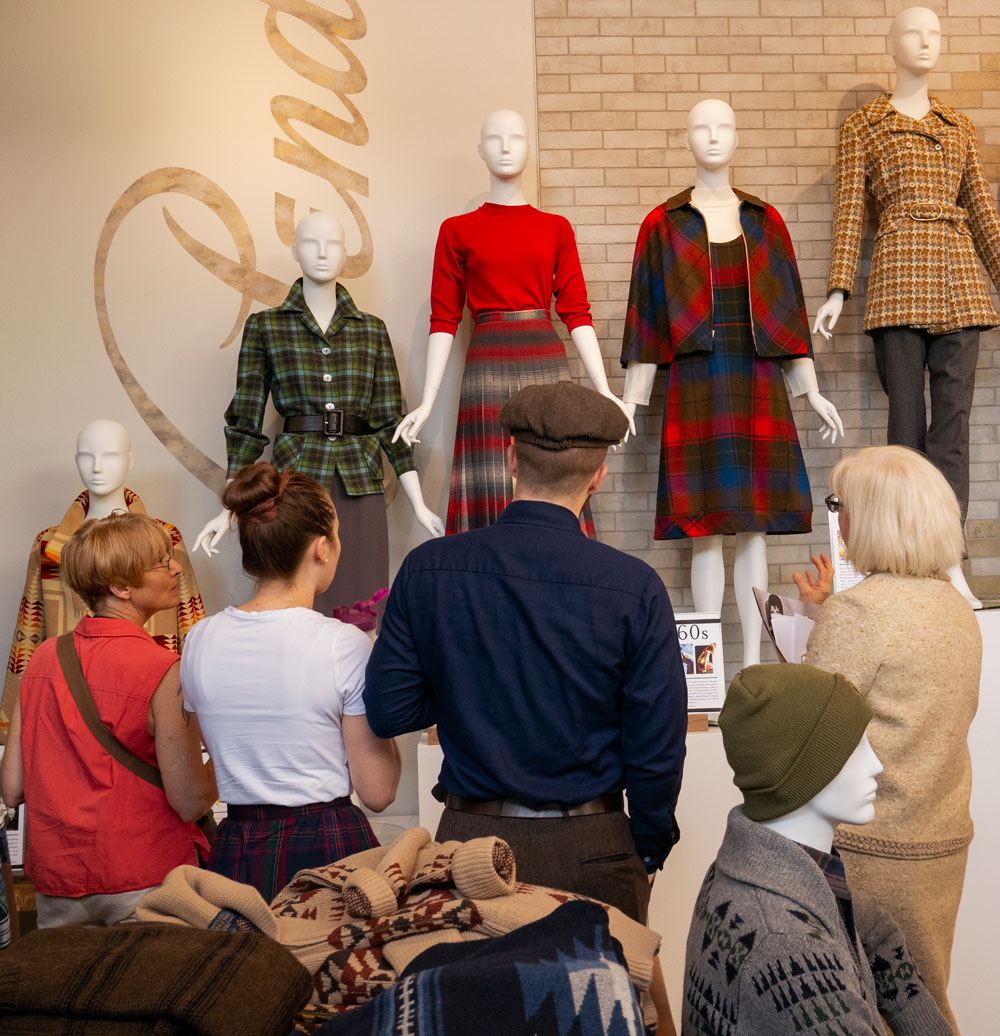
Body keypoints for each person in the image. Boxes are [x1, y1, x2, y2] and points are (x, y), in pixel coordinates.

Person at [365, 381, 687, 922]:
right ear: (599, 477)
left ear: (511, 457)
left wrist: (463, 693)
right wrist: (649, 845)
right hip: (595, 846)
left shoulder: (429, 569)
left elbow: (389, 709)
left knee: (471, 1006)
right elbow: (656, 746)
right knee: (605, 1005)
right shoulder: (635, 587)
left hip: (465, 849)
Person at [620, 99, 842, 667]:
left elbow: (788, 311)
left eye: (724, 127)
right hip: (696, 384)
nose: (713, 137)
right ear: (686, 138)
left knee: (755, 533)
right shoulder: (664, 223)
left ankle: (751, 668)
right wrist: (631, 400)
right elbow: (645, 316)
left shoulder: (765, 221)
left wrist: (809, 389)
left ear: (738, 137)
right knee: (704, 533)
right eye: (702, 127)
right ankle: (707, 675)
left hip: (758, 379)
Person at [814, 7, 1000, 607]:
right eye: (914, 33)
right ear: (891, 45)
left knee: (953, 433)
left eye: (936, 34)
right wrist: (839, 288)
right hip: (897, 279)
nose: (927, 42)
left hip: (960, 280)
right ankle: (900, 563)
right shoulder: (865, 126)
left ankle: (949, 561)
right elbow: (849, 214)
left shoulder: (958, 125)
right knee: (904, 435)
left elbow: (983, 215)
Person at [800, 445, 979, 1033]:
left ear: (873, 515)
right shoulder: (957, 608)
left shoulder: (861, 613)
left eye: (840, 505)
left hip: (869, 851)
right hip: (941, 841)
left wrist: (817, 623)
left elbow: (810, 732)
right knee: (923, 1001)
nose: (839, 519)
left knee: (862, 1013)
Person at [393, 108, 631, 535]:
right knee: (492, 476)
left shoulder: (555, 228)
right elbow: (444, 317)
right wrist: (427, 402)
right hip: (486, 364)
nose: (505, 147)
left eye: (516, 138)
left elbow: (576, 311)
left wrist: (604, 390)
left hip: (545, 359)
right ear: (480, 151)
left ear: (529, 148)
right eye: (495, 139)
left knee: (556, 470)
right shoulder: (457, 231)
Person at [194, 211, 443, 613]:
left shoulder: (371, 330)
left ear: (347, 254)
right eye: (311, 242)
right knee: (290, 598)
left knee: (363, 606)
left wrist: (418, 503)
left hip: (360, 483)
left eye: (333, 244)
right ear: (294, 251)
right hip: (292, 485)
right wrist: (229, 505)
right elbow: (245, 420)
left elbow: (389, 421)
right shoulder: (266, 327)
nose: (322, 252)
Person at [684, 663, 952, 1036]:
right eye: (853, 749)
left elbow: (877, 930)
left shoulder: (746, 870)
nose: (876, 765)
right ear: (803, 772)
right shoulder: (787, 948)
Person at [181, 462, 402, 902]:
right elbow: (378, 791)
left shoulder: (199, 639)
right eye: (337, 534)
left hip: (237, 847)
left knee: (246, 970)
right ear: (322, 548)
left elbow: (217, 751)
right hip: (329, 846)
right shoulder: (345, 644)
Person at [0, 514, 217, 928]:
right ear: (120, 587)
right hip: (144, 878)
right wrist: (229, 759)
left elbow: (11, 789)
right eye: (161, 562)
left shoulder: (43, 658)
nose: (175, 568)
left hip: (57, 881)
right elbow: (189, 801)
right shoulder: (165, 669)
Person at [2, 419, 205, 740]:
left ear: (130, 461)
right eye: (86, 456)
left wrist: (199, 717)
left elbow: (190, 629)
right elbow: (30, 633)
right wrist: (15, 727)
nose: (97, 467)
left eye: (110, 455)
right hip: (66, 711)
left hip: (149, 707)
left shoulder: (166, 540)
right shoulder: (49, 546)